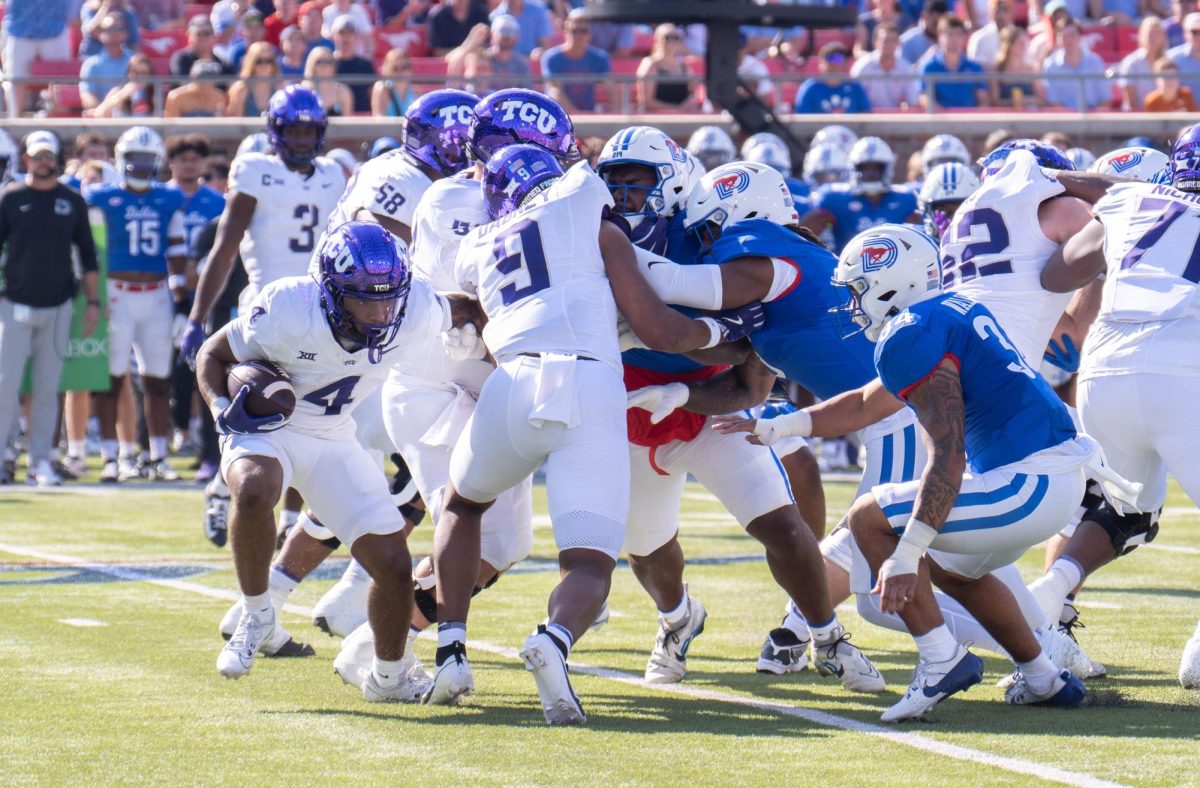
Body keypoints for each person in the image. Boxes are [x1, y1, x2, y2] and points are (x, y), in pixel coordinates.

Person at [430, 145, 762, 723]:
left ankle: (451, 648)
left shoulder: (478, 244)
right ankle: (554, 639)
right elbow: (659, 330)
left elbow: (469, 305)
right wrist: (726, 339)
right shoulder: (583, 201)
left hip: (509, 382)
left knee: (462, 505)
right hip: (585, 382)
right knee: (588, 563)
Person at [600, 137, 885, 689]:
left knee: (782, 523)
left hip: (710, 406)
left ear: (678, 182)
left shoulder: (707, 237)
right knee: (647, 551)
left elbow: (744, 369)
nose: (624, 194)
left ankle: (824, 635)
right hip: (631, 407)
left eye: (638, 180)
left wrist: (687, 355)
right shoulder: (593, 240)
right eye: (615, 181)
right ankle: (678, 620)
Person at [819, 223, 1089, 721]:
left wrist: (906, 552)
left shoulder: (908, 333)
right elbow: (862, 404)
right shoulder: (945, 311)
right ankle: (1043, 678)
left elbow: (948, 454)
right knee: (955, 569)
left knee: (868, 516)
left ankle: (941, 659)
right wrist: (785, 426)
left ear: (890, 283)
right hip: (1049, 475)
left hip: (1027, 483)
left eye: (858, 289)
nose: (854, 304)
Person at [195, 222, 427, 702]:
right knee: (255, 488)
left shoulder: (418, 308)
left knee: (394, 565)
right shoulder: (287, 307)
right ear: (331, 294)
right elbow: (211, 354)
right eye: (364, 300)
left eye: (388, 299)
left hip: (335, 434)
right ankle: (257, 615)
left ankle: (388, 677)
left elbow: (463, 310)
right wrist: (223, 412)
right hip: (270, 427)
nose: (381, 312)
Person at [1039, 126, 1200, 690]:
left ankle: (1049, 596)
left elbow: (1057, 271)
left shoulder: (1131, 199)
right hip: (1183, 371)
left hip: (1102, 373)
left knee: (1120, 515)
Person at [86, 127, 188, 484]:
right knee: (112, 379)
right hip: (116, 292)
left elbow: (177, 251)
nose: (141, 167)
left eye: (148, 160)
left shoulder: (168, 198)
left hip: (157, 294)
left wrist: (181, 302)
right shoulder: (101, 197)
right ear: (121, 159)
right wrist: (94, 297)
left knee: (158, 380)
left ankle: (157, 456)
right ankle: (111, 456)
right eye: (135, 159)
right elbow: (90, 252)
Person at [0, 132, 100, 487]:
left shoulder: (72, 200)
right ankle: (4, 457)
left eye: (49, 156)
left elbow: (88, 255)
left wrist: (93, 303)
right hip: (13, 304)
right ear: (26, 158)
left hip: (59, 305)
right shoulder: (10, 198)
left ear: (57, 158)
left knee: (47, 388)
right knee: (5, 386)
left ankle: (41, 459)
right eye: (37, 155)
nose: (43, 162)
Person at [800, 136, 919, 254]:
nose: (871, 174)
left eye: (877, 168)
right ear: (853, 168)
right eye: (864, 168)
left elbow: (919, 242)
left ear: (887, 168)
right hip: (848, 267)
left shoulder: (907, 199)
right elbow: (802, 240)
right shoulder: (835, 199)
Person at [3, 0, 73, 115]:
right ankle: (14, 119)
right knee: (16, 78)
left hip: (54, 28)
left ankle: (62, 119)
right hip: (20, 29)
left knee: (61, 79)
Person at [541, 10, 613, 112]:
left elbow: (611, 87)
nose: (579, 35)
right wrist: (577, 115)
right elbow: (555, 91)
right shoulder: (551, 57)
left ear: (589, 34)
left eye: (583, 31)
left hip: (589, 112)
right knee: (554, 93)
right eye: (574, 31)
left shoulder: (600, 57)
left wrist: (616, 111)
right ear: (566, 32)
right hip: (558, 115)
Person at [919, 16, 989, 109]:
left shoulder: (975, 67)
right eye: (950, 34)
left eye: (959, 34)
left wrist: (975, 118)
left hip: (969, 120)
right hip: (940, 121)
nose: (954, 38)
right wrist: (944, 118)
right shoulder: (928, 67)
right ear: (940, 36)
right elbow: (924, 97)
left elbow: (983, 99)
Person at [1041, 18, 1109, 111]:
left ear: (1080, 37)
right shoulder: (1050, 65)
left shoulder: (1095, 62)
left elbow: (1105, 99)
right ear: (1057, 39)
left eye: (1072, 35)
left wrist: (1093, 120)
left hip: (1094, 118)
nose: (1068, 40)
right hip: (1063, 120)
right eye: (1064, 36)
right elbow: (1053, 102)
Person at [851, 23, 920, 110]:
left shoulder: (906, 68)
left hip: (894, 119)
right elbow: (853, 100)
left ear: (899, 43)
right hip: (865, 117)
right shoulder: (862, 67)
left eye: (893, 40)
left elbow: (912, 103)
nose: (889, 45)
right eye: (885, 41)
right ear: (875, 42)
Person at [636, 23, 699, 112]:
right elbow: (647, 102)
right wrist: (676, 110)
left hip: (683, 119)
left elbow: (693, 94)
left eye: (676, 38)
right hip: (657, 119)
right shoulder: (650, 65)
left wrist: (686, 105)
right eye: (667, 37)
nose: (671, 41)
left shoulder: (684, 66)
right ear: (657, 39)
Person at [79, 12, 135, 113]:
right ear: (100, 34)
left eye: (118, 27)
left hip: (131, 116)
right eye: (108, 28)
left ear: (126, 33)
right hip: (101, 120)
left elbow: (143, 92)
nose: (113, 32)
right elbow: (87, 96)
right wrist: (104, 112)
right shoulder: (91, 64)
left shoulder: (135, 60)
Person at [795, 42, 871, 114]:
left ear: (845, 64)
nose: (833, 65)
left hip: (850, 128)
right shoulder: (810, 88)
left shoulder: (855, 88)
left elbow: (866, 116)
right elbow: (802, 118)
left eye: (838, 60)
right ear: (820, 64)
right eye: (829, 59)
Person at [1118, 17, 1169, 111]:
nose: (1153, 37)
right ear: (1142, 36)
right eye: (1150, 33)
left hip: (1165, 115)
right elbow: (1130, 99)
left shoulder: (1170, 60)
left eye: (1157, 33)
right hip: (1138, 117)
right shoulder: (1131, 62)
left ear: (1163, 37)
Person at [991, 27, 1045, 108]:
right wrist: (1014, 102)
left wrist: (1026, 101)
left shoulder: (1030, 70)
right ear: (1009, 46)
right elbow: (994, 102)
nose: (1023, 46)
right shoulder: (997, 71)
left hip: (1028, 117)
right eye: (1020, 43)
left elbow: (1041, 99)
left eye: (1024, 42)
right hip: (1004, 117)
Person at [331, 17, 376, 113]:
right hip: (336, 119)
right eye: (342, 33)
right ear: (334, 37)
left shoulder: (366, 65)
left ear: (356, 37)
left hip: (363, 118)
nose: (346, 38)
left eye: (350, 33)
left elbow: (373, 95)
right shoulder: (327, 65)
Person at [89, 53, 156, 118]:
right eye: (136, 73)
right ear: (128, 73)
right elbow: (98, 114)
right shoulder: (117, 91)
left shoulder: (154, 94)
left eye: (144, 73)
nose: (140, 77)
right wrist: (121, 95)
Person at [227, 42, 282, 117]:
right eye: (259, 61)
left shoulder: (279, 88)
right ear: (251, 63)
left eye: (268, 61)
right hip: (248, 129)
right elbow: (237, 124)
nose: (264, 65)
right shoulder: (241, 89)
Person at [488, 0, 553, 56]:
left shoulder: (538, 11)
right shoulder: (494, 17)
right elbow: (496, 51)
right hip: (507, 65)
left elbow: (545, 45)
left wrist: (540, 53)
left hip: (533, 63)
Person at [303, 46, 354, 117]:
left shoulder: (343, 92)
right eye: (319, 61)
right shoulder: (303, 91)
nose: (324, 65)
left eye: (328, 61)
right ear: (312, 65)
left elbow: (347, 123)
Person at [967, 0, 1013, 67]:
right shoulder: (979, 37)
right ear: (990, 12)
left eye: (1005, 10)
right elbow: (974, 66)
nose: (1001, 15)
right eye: (997, 11)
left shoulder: (1019, 36)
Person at [899, 0, 946, 65]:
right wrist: (925, 60)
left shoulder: (950, 40)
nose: (937, 27)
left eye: (941, 24)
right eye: (935, 23)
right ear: (924, 16)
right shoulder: (907, 41)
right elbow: (902, 72)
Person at [372, 48, 416, 116]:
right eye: (395, 68)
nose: (400, 72)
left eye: (404, 67)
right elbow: (379, 118)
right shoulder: (381, 88)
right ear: (386, 70)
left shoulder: (415, 91)